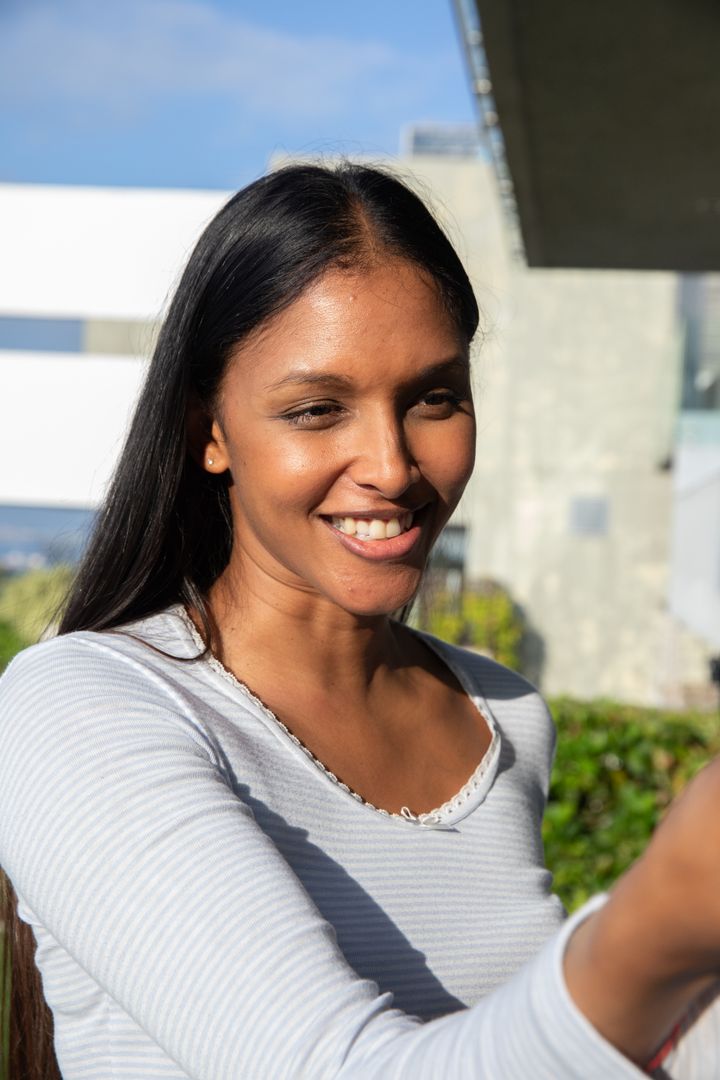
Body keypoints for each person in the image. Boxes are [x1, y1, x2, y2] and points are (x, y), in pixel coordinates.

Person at [0, 162, 719, 1080]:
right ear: (207, 432)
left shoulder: (502, 713)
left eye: (433, 398)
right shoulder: (80, 706)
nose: (390, 464)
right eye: (315, 410)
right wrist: (656, 926)